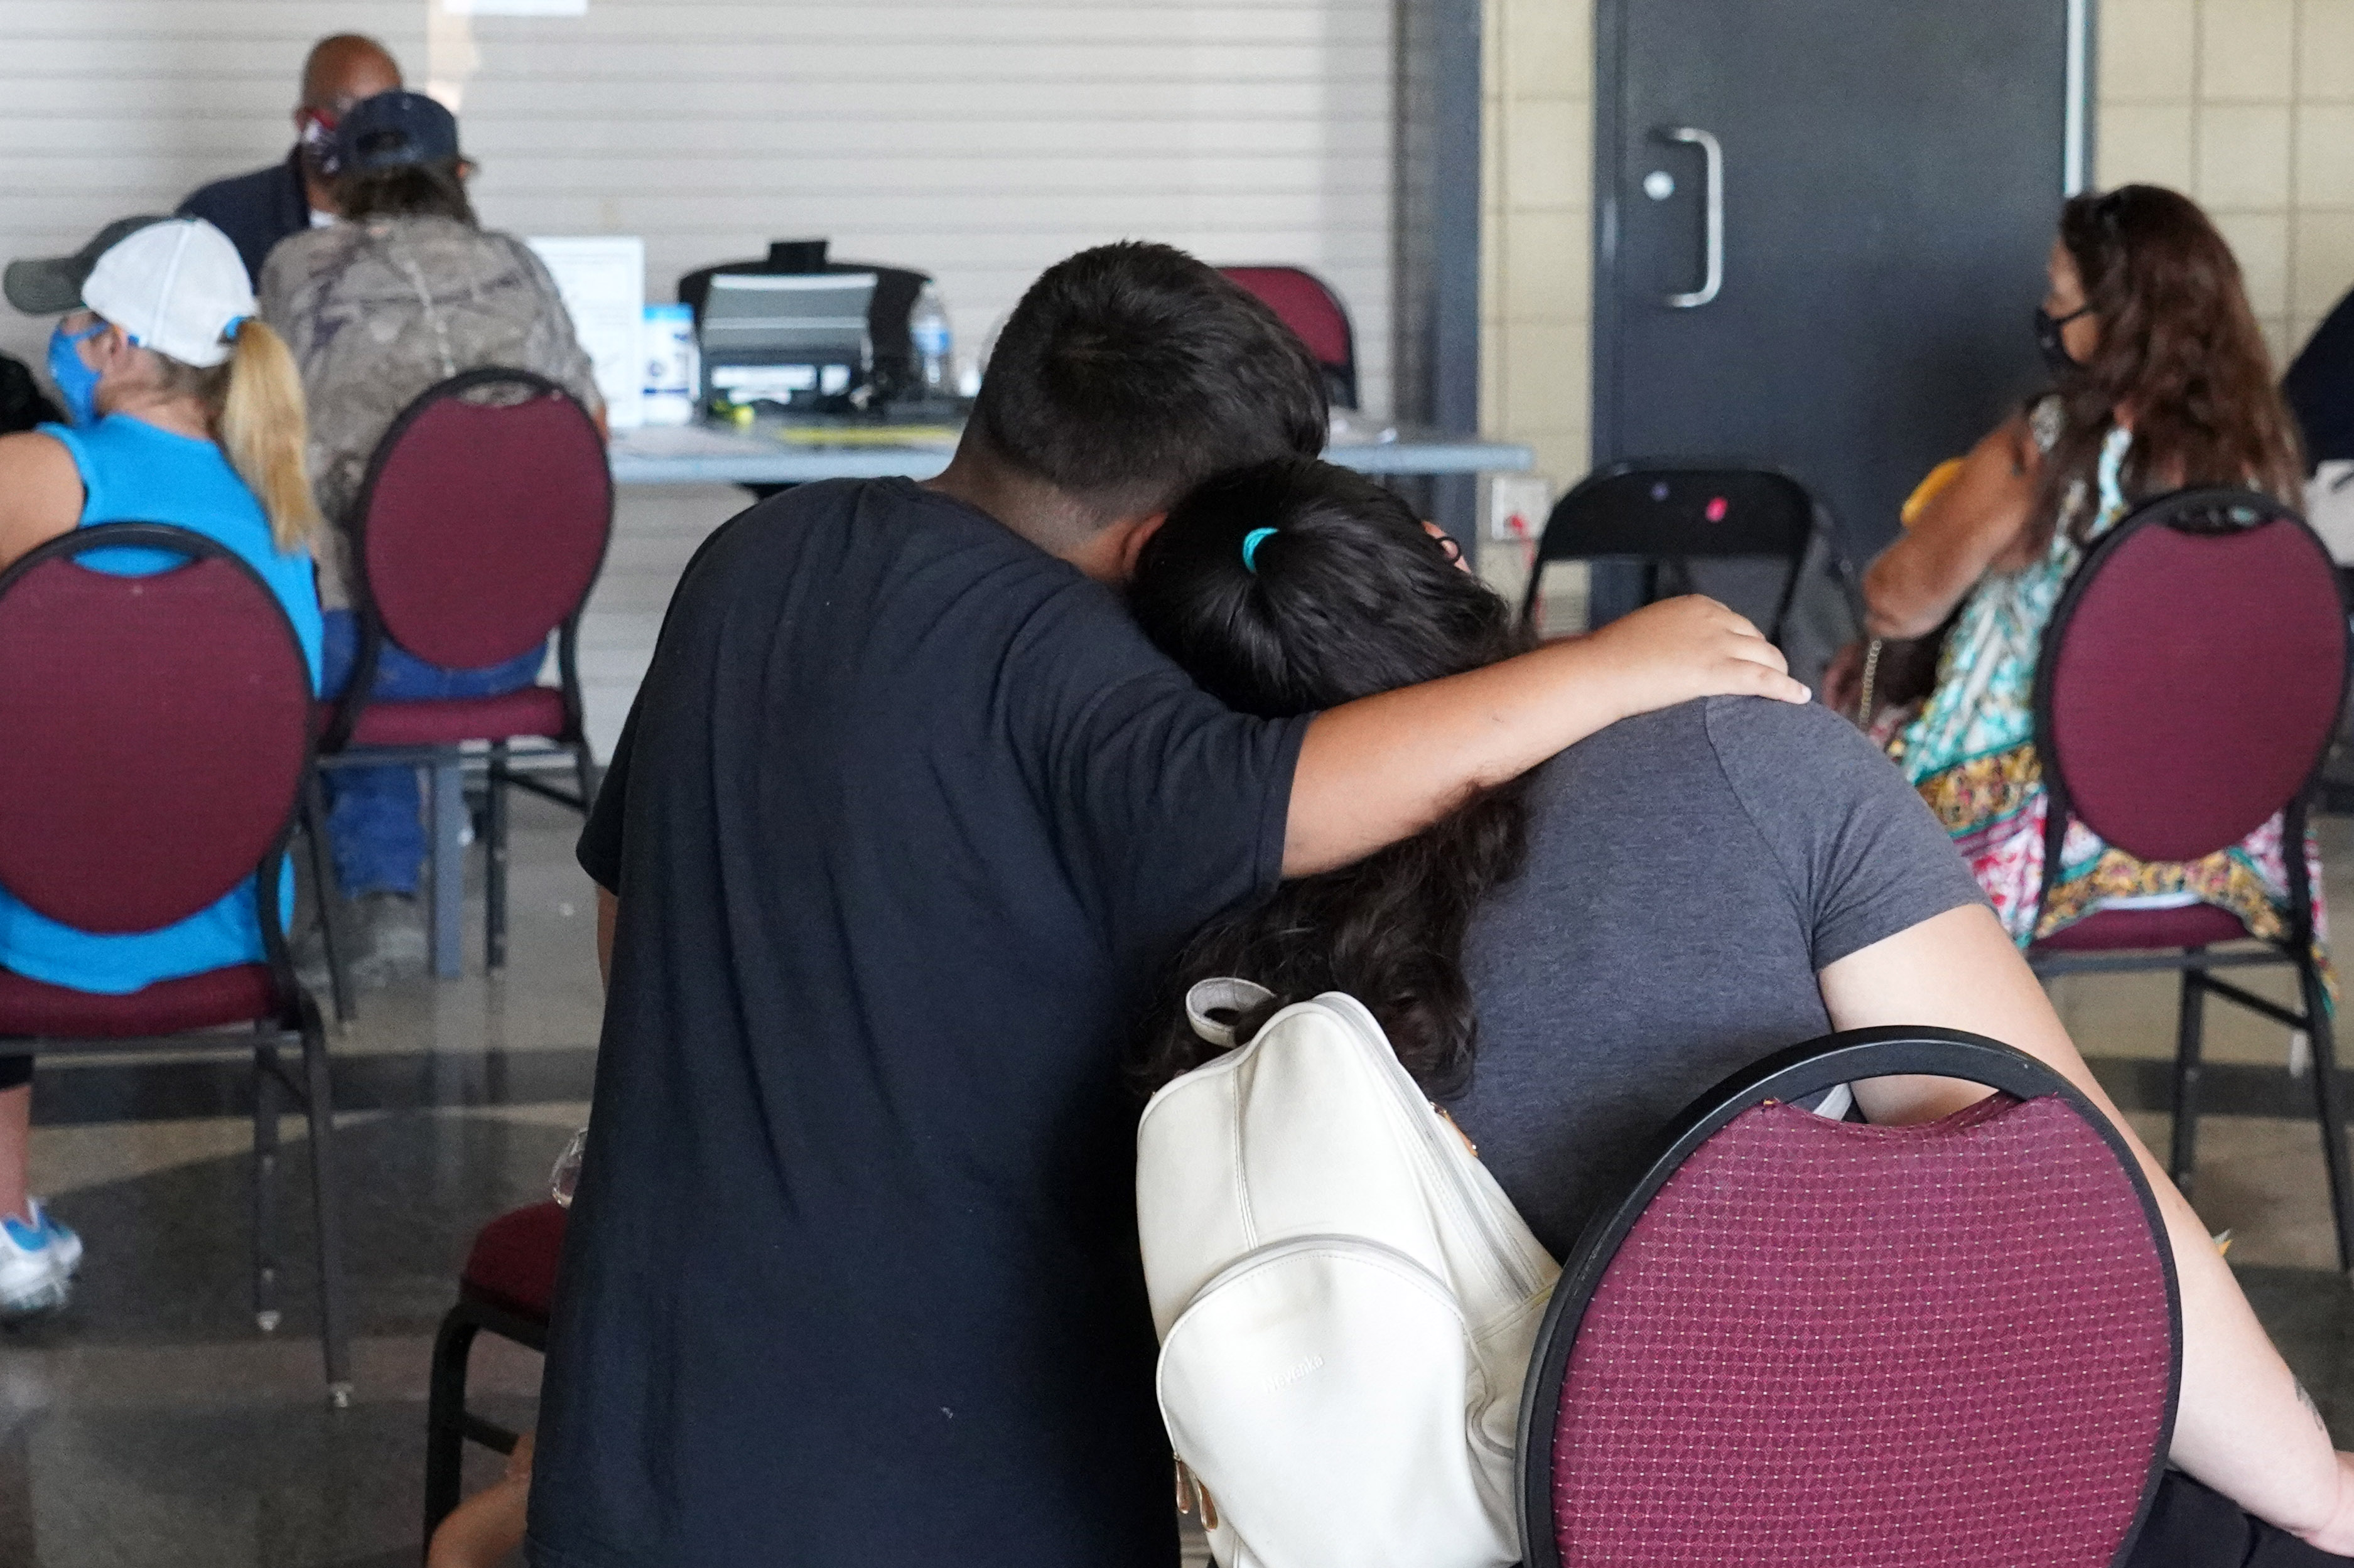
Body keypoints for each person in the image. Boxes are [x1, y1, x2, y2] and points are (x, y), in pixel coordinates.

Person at [528, 239, 1805, 1568]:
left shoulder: (750, 557)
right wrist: (1608, 667)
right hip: (939, 1488)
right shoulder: (1066, 662)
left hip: (635, 1441)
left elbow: (635, 940)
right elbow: (1299, 795)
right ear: (1157, 546)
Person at [1130, 455, 2354, 1564]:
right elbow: (2068, 1185)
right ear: (1446, 558)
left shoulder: (1217, 967)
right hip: (1951, 1498)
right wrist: (2310, 1491)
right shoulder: (1744, 764)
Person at [1823, 185, 2308, 947]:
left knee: (1829, 772)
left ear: (2116, 320)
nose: (2047, 316)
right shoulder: (2259, 460)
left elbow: (1896, 601)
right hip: (2233, 834)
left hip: (2034, 836)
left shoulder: (2048, 446)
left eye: (2057, 295)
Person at [0, 217, 323, 1318]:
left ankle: (1, 1216)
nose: (65, 337)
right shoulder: (280, 514)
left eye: (80, 320)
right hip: (231, 923)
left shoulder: (45, 473)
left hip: (37, 924)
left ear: (123, 346)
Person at [260, 87, 601, 979]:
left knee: (324, 590)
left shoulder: (298, 267)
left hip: (365, 659)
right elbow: (587, 429)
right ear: (457, 177)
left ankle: (375, 894)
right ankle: (388, 882)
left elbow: (262, 443)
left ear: (339, 182)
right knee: (405, 593)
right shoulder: (520, 266)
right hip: (516, 645)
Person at [176, 33, 403, 286]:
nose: (369, 129)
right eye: (348, 110)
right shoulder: (221, 216)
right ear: (304, 120)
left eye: (386, 112)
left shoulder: (421, 216)